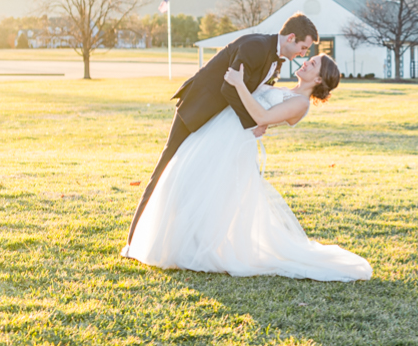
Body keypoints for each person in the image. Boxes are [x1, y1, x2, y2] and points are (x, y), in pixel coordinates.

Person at [123, 52, 372, 282]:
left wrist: (239, 83)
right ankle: (185, 243)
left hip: (233, 144)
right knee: (193, 184)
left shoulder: (300, 103)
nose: (306, 61)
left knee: (210, 192)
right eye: (309, 57)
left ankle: (197, 249)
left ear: (318, 79)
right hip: (221, 134)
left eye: (313, 63)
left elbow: (261, 118)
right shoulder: (287, 89)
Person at [125, 13, 318, 246]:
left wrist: (263, 118)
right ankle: (135, 238)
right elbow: (229, 88)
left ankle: (189, 235)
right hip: (198, 109)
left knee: (195, 176)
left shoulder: (277, 60)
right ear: (291, 37)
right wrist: (253, 122)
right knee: (165, 168)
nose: (303, 54)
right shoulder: (255, 46)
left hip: (219, 121)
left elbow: (255, 92)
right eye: (304, 47)